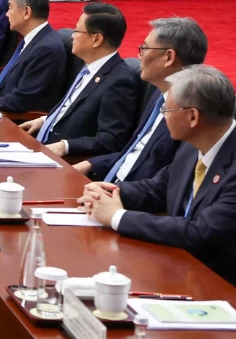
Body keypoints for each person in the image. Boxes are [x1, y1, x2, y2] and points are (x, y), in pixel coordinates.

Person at [79, 65, 236, 285]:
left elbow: (201, 232)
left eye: (167, 111)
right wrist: (109, 192)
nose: (163, 117)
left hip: (218, 284)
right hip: (176, 263)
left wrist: (117, 217)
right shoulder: (193, 146)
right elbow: (157, 188)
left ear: (192, 117)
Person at [76, 18, 208, 183]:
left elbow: (169, 182)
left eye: (144, 48)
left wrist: (116, 194)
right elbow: (136, 153)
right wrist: (91, 164)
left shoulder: (188, 113)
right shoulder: (159, 96)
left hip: (131, 198)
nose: (139, 56)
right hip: (108, 186)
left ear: (169, 57)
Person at [20, 2, 137, 158]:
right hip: (41, 143)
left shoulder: (119, 82)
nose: (72, 35)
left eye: (77, 30)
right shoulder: (87, 66)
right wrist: (45, 120)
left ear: (97, 39)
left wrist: (65, 146)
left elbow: (111, 140)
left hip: (64, 160)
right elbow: (71, 107)